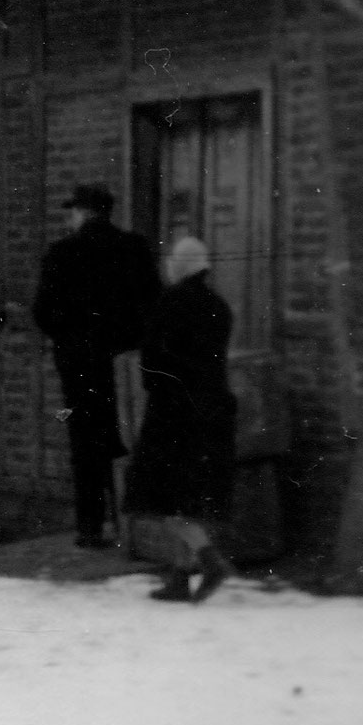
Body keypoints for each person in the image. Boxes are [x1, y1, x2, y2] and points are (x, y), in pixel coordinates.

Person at [33, 183, 162, 549]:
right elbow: (153, 304)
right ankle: (130, 523)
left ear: (82, 212)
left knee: (84, 441)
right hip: (125, 364)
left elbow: (43, 312)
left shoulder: (61, 253)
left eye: (72, 211)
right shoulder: (134, 249)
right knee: (125, 439)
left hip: (78, 366)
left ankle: (90, 526)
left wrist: (70, 337)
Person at [124, 236, 238, 604]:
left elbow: (153, 361)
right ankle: (180, 575)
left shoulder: (169, 303)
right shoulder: (220, 307)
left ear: (179, 265)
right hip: (212, 410)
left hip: (173, 412)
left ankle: (208, 561)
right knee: (189, 499)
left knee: (163, 500)